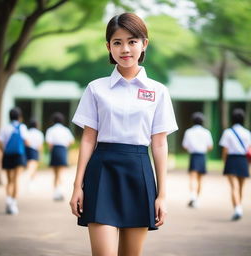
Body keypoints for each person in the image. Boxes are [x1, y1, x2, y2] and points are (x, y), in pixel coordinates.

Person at [69, 13, 178, 256]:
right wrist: (77, 186)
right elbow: (88, 139)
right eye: (117, 42)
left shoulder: (158, 92)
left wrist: (162, 195)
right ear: (108, 47)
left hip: (138, 172)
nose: (125, 49)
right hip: (102, 171)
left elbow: (159, 145)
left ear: (144, 44)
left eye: (132, 41)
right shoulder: (96, 89)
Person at [219, 108, 251, 221]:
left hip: (231, 160)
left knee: (234, 187)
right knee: (241, 187)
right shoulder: (247, 133)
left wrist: (224, 162)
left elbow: (225, 150)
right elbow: (249, 149)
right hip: (243, 160)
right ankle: (239, 208)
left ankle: (237, 208)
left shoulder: (228, 132)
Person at [0, 107, 29, 215]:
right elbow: (27, 141)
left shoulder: (5, 128)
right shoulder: (22, 127)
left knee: (9, 180)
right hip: (19, 156)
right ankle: (14, 204)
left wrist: (5, 150)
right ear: (20, 117)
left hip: (8, 156)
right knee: (16, 180)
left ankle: (8, 201)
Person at [182, 112, 213, 208]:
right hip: (202, 156)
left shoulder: (188, 132)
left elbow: (185, 146)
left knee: (192, 177)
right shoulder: (206, 132)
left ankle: (192, 197)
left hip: (193, 156)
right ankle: (197, 199)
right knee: (200, 179)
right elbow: (210, 146)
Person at [45, 112, 74, 201]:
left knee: (55, 173)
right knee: (61, 173)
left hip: (54, 150)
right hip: (62, 150)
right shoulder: (66, 130)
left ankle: (56, 192)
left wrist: (52, 151)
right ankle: (59, 192)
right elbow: (71, 141)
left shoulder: (50, 130)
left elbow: (49, 143)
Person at [25, 118, 44, 191]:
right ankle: (30, 181)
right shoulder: (39, 133)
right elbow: (40, 145)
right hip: (35, 150)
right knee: (33, 167)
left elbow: (25, 142)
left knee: (29, 165)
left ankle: (30, 182)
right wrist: (40, 154)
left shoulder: (27, 132)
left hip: (28, 150)